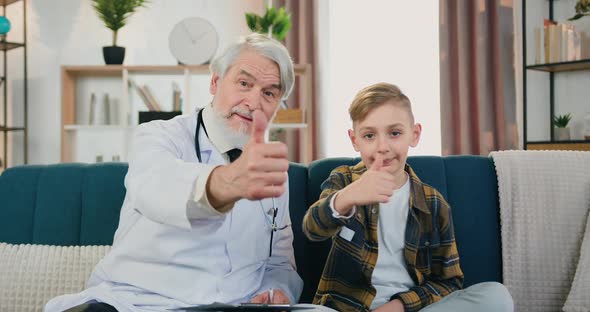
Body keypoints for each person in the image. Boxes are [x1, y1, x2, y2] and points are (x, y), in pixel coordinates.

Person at [45, 33, 303, 312]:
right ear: (215, 82)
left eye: (269, 93)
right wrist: (227, 182)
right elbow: (156, 189)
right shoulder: (159, 136)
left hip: (233, 305)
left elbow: (278, 261)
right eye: (244, 83)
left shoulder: (274, 170)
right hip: (137, 301)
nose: (253, 102)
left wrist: (277, 291)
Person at [302, 83, 514, 312]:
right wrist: (348, 197)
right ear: (355, 140)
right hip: (345, 308)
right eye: (369, 135)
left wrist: (399, 306)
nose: (382, 147)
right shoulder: (343, 179)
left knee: (496, 296)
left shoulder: (433, 203)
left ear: (414, 135)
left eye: (394, 133)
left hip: (410, 309)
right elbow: (313, 228)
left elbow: (449, 282)